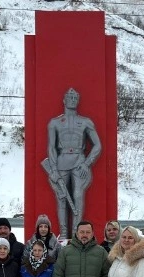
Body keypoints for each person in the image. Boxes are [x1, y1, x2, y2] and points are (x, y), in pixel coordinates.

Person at [45, 88, 102, 239]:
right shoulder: (54, 123)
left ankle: (77, 233)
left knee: (78, 196)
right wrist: (53, 169)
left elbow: (97, 145)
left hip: (79, 162)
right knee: (62, 198)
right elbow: (51, 147)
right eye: (70, 97)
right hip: (61, 162)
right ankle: (64, 234)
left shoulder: (86, 122)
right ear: (64, 100)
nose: (72, 99)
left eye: (75, 97)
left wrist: (87, 163)